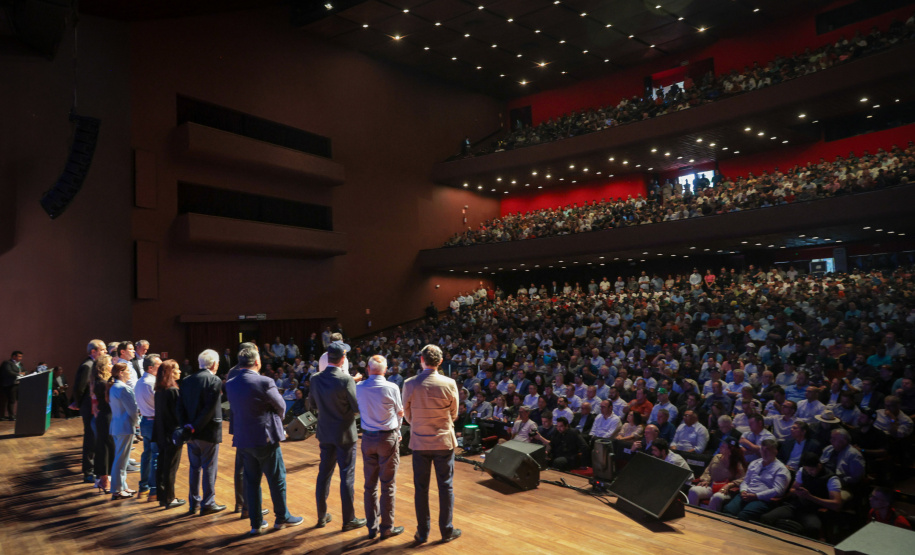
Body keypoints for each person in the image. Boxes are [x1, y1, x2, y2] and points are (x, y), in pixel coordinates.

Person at [225, 343, 303, 535]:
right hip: (265, 437)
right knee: (277, 478)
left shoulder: (230, 383)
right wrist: (277, 419)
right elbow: (281, 406)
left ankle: (256, 523)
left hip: (243, 438)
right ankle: (282, 517)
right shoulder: (265, 381)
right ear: (257, 361)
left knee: (251, 481)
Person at [402, 344, 461, 544]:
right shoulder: (450, 383)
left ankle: (423, 533)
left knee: (421, 488)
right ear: (441, 362)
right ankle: (446, 531)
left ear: (421, 360)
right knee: (446, 487)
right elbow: (454, 413)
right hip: (443, 441)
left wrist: (418, 423)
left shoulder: (410, 383)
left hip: (419, 441)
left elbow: (406, 414)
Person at [308, 340, 365, 531]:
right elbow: (356, 408)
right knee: (346, 475)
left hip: (325, 433)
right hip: (345, 435)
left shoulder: (315, 379)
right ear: (343, 359)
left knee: (324, 474)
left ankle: (322, 516)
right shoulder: (346, 380)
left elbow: (312, 406)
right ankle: (348, 519)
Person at [356, 355, 405, 540]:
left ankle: (371, 527)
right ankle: (386, 528)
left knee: (370, 486)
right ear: (385, 370)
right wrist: (398, 430)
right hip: (387, 438)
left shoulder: (359, 387)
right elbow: (400, 412)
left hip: (368, 438)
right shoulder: (392, 387)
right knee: (388, 485)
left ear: (368, 369)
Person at [178, 349, 226, 515]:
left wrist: (188, 427)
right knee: (209, 468)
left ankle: (194, 503)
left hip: (191, 432)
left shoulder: (186, 380)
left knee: (194, 468)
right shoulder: (214, 380)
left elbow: (181, 407)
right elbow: (209, 409)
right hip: (207, 432)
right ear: (214, 364)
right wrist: (195, 426)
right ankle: (208, 502)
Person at [760, 452, 843, 539]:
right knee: (766, 518)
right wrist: (796, 492)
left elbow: (837, 505)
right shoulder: (802, 471)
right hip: (795, 506)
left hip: (812, 510)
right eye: (807, 470)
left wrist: (810, 497)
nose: (809, 472)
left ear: (819, 465)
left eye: (811, 470)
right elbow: (792, 489)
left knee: (813, 528)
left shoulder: (831, 478)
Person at [722, 439, 791, 521]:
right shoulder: (754, 463)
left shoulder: (781, 469)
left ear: (775, 452)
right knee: (728, 511)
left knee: (744, 516)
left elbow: (778, 490)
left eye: (767, 450)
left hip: (762, 500)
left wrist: (756, 496)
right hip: (745, 495)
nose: (764, 453)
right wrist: (743, 491)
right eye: (762, 449)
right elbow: (746, 481)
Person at [154, 359, 185, 509]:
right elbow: (178, 415)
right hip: (172, 434)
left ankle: (162, 496)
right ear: (169, 373)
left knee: (162, 465)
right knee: (171, 468)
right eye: (177, 370)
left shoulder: (160, 391)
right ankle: (169, 498)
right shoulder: (173, 391)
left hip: (161, 433)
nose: (180, 372)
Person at [73, 340, 104, 483]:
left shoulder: (93, 364)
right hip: (89, 406)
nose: (105, 352)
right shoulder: (88, 366)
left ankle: (94, 469)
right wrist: (79, 404)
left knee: (95, 438)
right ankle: (88, 471)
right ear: (93, 351)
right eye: (102, 350)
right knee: (90, 439)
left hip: (92, 406)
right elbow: (80, 388)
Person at [688, 437, 747, 511]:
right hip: (712, 485)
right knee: (693, 491)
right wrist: (706, 480)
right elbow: (708, 470)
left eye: (724, 446)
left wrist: (729, 485)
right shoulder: (716, 457)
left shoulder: (737, 463)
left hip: (725, 490)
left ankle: (709, 519)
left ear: (730, 450)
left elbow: (743, 479)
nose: (721, 446)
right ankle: (693, 513)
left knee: (717, 497)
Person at [109, 362, 139, 500]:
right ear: (121, 372)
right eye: (127, 371)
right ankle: (116, 488)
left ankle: (122, 486)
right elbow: (132, 410)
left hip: (117, 426)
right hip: (125, 427)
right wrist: (136, 424)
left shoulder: (114, 387)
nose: (130, 373)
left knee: (122, 459)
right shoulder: (124, 389)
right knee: (121, 460)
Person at [135, 354, 161, 500]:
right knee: (155, 456)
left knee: (147, 455)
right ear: (150, 368)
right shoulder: (152, 383)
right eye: (159, 366)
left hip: (145, 420)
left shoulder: (140, 381)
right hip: (153, 422)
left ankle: (143, 487)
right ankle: (154, 490)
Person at [92, 353, 115, 494]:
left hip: (106, 416)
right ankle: (104, 479)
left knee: (107, 447)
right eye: (110, 363)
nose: (112, 365)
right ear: (103, 367)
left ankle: (104, 479)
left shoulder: (103, 381)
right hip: (106, 417)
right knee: (105, 449)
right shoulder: (102, 383)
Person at [0, 350, 23, 420]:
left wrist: (23, 373)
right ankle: (11, 415)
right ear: (14, 356)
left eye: (21, 356)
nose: (21, 358)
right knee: (11, 400)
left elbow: (25, 371)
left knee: (18, 399)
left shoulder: (20, 364)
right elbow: (8, 372)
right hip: (10, 384)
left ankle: (18, 414)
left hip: (18, 384)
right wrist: (19, 374)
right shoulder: (7, 363)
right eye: (19, 356)